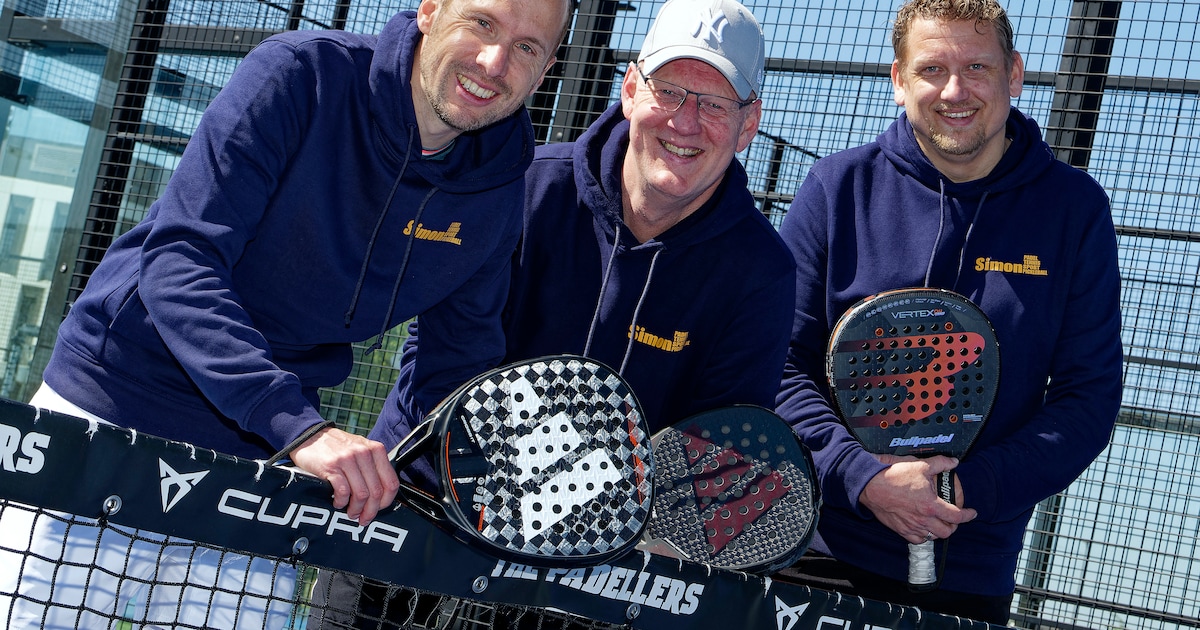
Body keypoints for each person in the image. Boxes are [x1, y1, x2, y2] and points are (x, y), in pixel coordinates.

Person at [5, 0, 573, 627]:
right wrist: (300, 428)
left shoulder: (501, 190)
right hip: (110, 417)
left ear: (546, 70)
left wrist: (472, 486)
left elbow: (456, 368)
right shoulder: (300, 74)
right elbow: (180, 260)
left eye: (527, 47)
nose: (494, 62)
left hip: (257, 463)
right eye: (482, 23)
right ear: (431, 11)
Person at [315, 0, 795, 624]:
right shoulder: (519, 187)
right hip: (412, 514)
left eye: (714, 103)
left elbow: (715, 452)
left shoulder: (763, 272)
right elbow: (443, 364)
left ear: (748, 123)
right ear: (629, 89)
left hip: (576, 584)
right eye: (670, 90)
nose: (684, 121)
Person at [772, 0, 1123, 625]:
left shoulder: (1076, 210)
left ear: (1013, 74)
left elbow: (1088, 400)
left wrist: (962, 491)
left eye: (977, 68)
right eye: (932, 68)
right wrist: (862, 480)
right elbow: (776, 365)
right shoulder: (835, 186)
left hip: (971, 573)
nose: (955, 91)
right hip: (811, 550)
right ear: (899, 80)